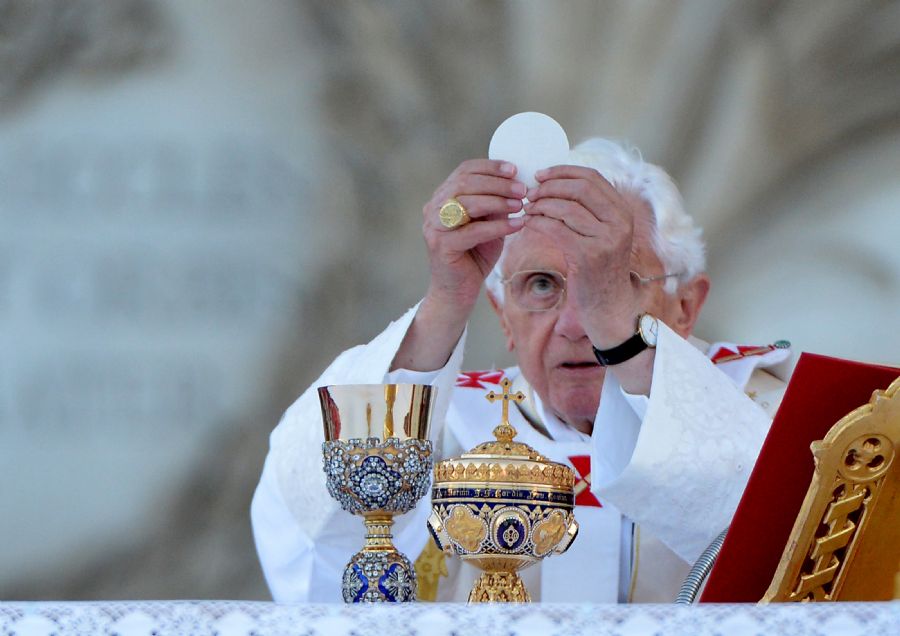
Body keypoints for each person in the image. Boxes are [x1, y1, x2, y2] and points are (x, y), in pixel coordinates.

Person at [251, 138, 791, 602]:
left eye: (615, 282)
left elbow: (795, 558)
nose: (577, 324)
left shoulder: (770, 415)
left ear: (687, 306)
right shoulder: (447, 426)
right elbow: (305, 529)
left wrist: (624, 341)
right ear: (501, 317)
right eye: (540, 284)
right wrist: (444, 302)